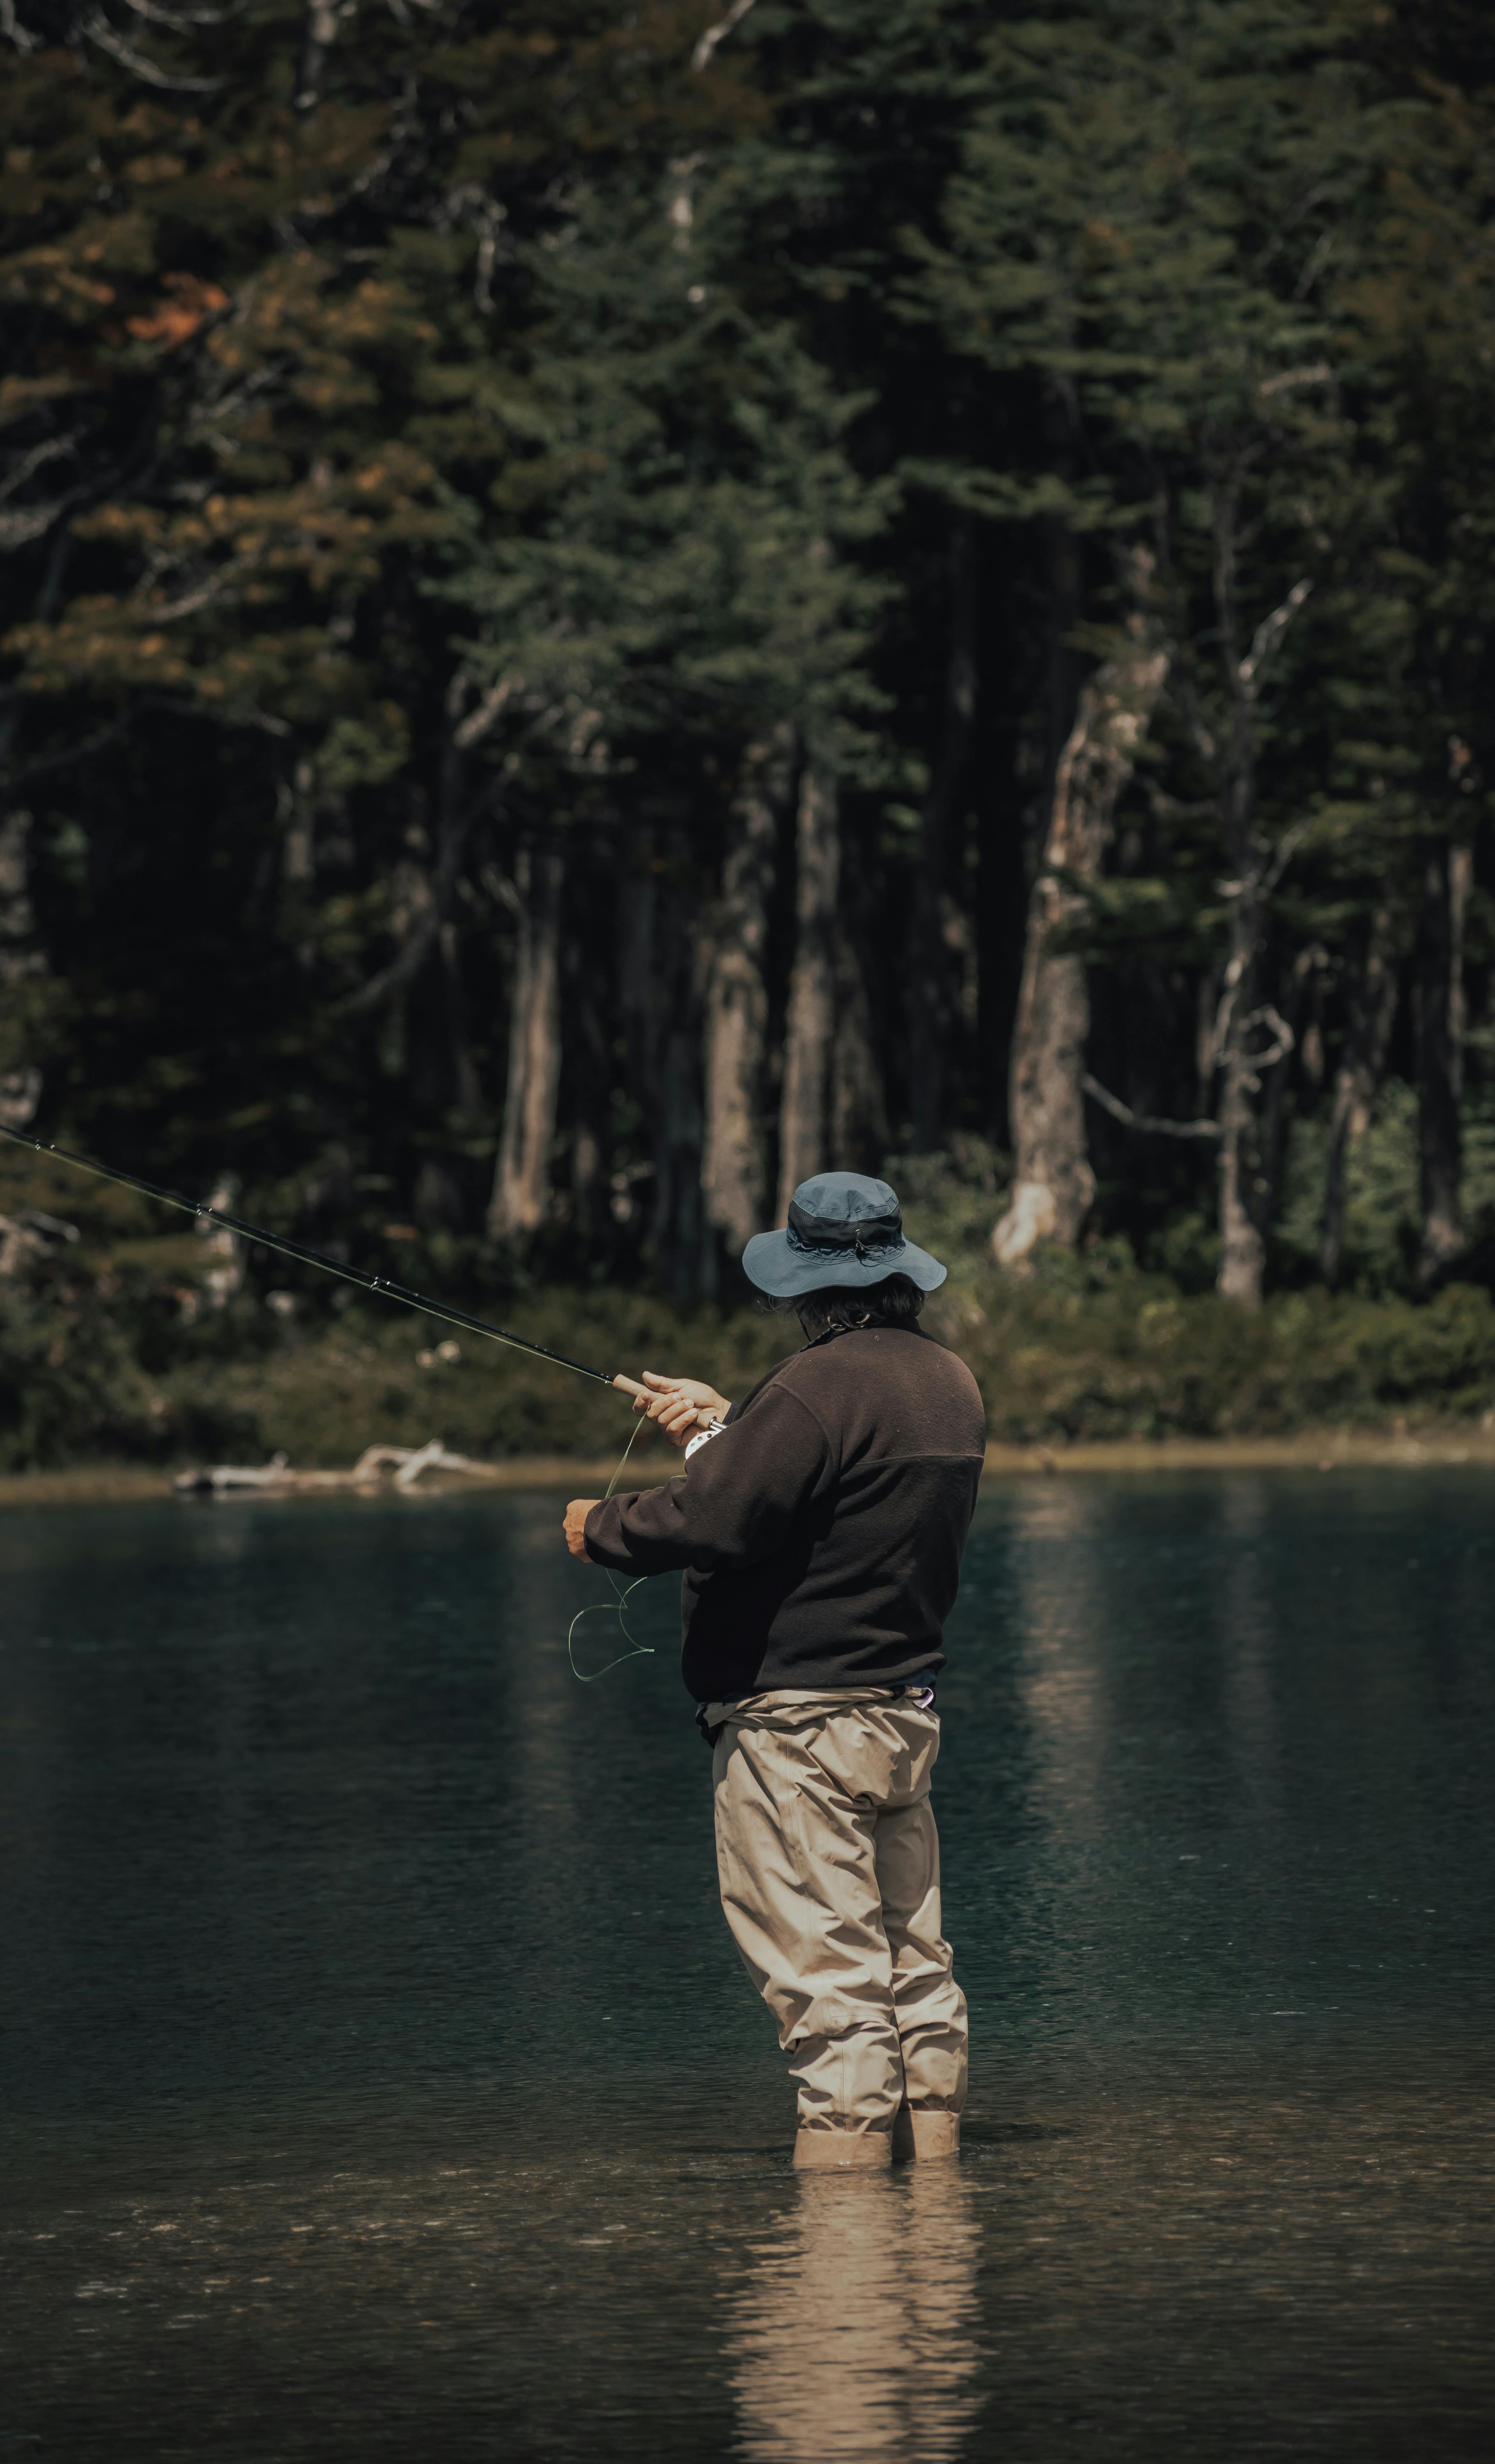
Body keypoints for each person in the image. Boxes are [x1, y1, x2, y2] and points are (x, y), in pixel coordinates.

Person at [563, 1171, 986, 2170]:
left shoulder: (816, 1386)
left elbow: (721, 1519)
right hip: (898, 1721)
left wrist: (601, 1529)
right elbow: (825, 1500)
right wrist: (730, 1426)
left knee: (831, 1993)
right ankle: (934, 2220)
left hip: (797, 1736)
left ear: (802, 1288)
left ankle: (841, 2268)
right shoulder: (946, 1381)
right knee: (914, 1976)